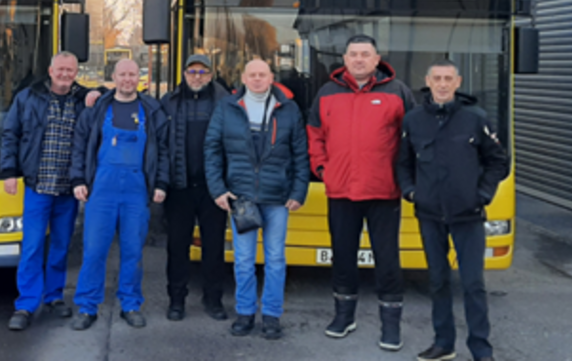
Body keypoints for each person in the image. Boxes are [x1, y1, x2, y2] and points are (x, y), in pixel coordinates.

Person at [307, 34, 415, 351]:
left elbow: (412, 138)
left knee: (387, 260)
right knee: (342, 256)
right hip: (340, 191)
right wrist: (323, 170)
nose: (358, 60)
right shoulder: (326, 94)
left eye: (365, 54)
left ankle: (391, 326)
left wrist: (402, 176)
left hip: (384, 192)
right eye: (353, 54)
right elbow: (314, 136)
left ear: (376, 59)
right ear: (344, 59)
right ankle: (344, 317)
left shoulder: (397, 93)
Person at [397, 59, 509, 361]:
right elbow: (403, 163)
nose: (443, 84)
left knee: (473, 284)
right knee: (437, 281)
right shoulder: (413, 120)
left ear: (458, 83)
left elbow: (498, 161)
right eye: (438, 78)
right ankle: (444, 343)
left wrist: (483, 195)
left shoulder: (476, 118)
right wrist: (411, 192)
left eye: (449, 79)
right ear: (428, 82)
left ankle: (481, 350)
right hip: (430, 215)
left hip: (468, 215)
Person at [205, 59, 309, 340]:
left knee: (275, 259)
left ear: (271, 77)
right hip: (242, 198)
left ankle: (272, 316)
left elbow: (301, 154)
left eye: (262, 74)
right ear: (243, 77)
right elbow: (212, 149)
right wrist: (218, 189)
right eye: (252, 75)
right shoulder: (227, 107)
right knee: (243, 260)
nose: (257, 79)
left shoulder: (288, 109)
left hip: (278, 198)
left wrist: (299, 191)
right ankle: (245, 313)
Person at [0, 51, 99, 331]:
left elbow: (108, 97)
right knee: (31, 247)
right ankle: (26, 303)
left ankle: (54, 296)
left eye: (71, 70)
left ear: (76, 72)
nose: (65, 74)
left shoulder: (84, 100)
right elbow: (11, 134)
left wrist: (97, 93)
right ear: (50, 70)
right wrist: (9, 172)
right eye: (61, 69)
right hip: (37, 186)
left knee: (60, 246)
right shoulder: (28, 97)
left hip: (68, 189)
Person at [69, 58, 170, 330]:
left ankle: (131, 303)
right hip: (101, 188)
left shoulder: (151, 110)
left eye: (132, 74)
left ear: (140, 78)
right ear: (113, 76)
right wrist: (78, 178)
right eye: (122, 74)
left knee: (133, 250)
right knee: (94, 250)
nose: (127, 79)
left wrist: (161, 183)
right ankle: (87, 306)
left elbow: (163, 151)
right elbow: (79, 144)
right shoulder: (98, 108)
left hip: (137, 190)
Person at [160, 54, 231, 321]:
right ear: (184, 74)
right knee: (177, 247)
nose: (197, 76)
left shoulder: (225, 102)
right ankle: (176, 300)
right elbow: (161, 144)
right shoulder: (169, 102)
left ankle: (213, 300)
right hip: (179, 188)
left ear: (211, 75)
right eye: (192, 71)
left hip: (214, 190)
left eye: (202, 72)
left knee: (214, 248)